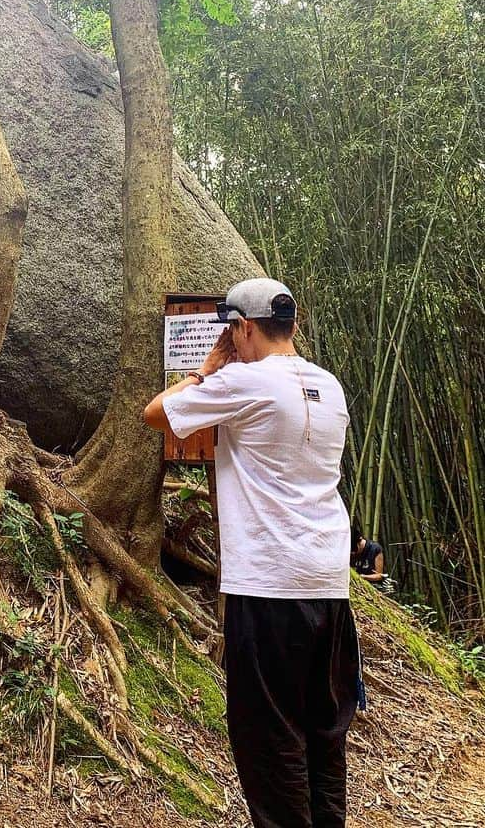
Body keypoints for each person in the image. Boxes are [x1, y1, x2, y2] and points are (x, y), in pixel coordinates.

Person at [142, 277, 360, 828]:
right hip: (329, 586)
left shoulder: (243, 380)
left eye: (230, 331)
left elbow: (156, 414)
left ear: (242, 327)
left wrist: (204, 370)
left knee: (270, 740)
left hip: (268, 584)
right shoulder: (329, 386)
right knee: (323, 736)